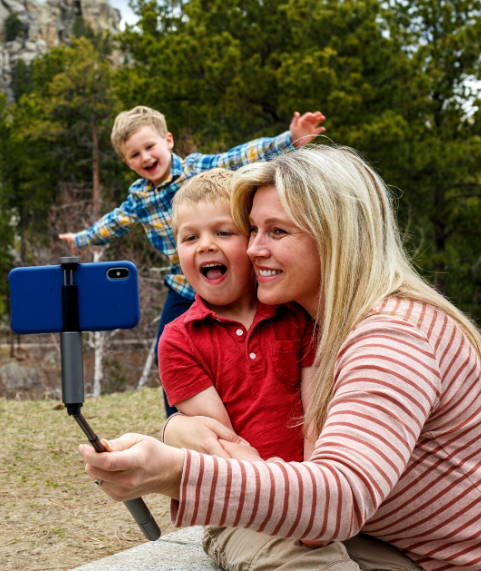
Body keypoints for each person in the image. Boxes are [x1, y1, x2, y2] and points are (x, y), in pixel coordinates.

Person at [80, 145, 481, 571]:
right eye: (251, 229)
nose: (253, 249)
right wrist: (178, 428)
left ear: (336, 236)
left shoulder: (390, 336)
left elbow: (337, 498)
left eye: (276, 231)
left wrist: (174, 471)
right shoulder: (329, 321)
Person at [159, 167, 424, 571]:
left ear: (251, 245)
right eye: (190, 237)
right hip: (240, 509)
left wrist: (316, 509)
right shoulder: (179, 340)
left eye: (224, 233)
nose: (206, 245)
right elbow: (223, 443)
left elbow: (316, 414)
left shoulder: (297, 316)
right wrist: (287, 508)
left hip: (312, 491)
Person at [60, 105, 326, 416]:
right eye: (134, 155)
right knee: (169, 346)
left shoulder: (197, 170)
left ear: (168, 140)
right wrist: (80, 240)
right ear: (126, 162)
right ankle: (179, 419)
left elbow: (239, 156)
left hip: (235, 277)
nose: (145, 158)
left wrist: (288, 139)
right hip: (182, 284)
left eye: (149, 147)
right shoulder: (138, 200)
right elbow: (112, 224)